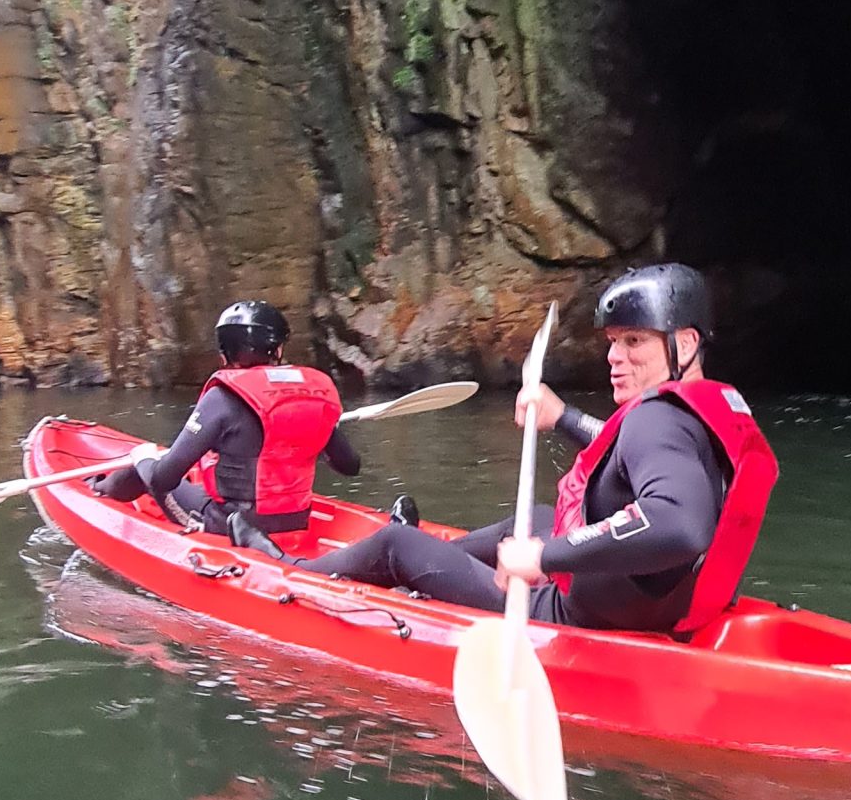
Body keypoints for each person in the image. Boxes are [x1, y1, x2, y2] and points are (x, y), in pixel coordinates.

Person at [311, 264, 778, 636]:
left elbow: (679, 524)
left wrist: (541, 559)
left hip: (575, 616)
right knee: (532, 520)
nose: (614, 356)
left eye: (634, 341)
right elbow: (634, 458)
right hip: (665, 607)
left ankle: (294, 568)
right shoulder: (700, 412)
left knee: (397, 544)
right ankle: (446, 562)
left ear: (686, 342)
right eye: (613, 341)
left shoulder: (654, 418)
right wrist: (563, 417)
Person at [94, 300, 361, 547]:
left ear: (224, 354)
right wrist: (325, 429)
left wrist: (143, 458)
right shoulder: (312, 393)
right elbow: (349, 466)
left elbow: (164, 479)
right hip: (296, 520)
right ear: (278, 349)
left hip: (231, 525)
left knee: (146, 466)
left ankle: (99, 489)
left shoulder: (222, 397)